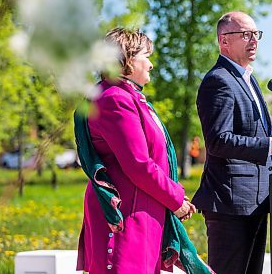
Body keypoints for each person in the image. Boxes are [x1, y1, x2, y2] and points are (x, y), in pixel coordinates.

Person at [75, 28, 211, 274]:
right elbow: (138, 164)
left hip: (142, 209)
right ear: (125, 59)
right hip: (127, 214)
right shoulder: (114, 99)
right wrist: (175, 197)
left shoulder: (129, 97)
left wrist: (173, 197)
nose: (150, 64)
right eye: (145, 56)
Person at [192, 11, 272, 274]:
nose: (254, 41)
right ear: (224, 41)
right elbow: (218, 141)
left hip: (256, 201)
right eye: (245, 35)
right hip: (231, 205)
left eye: (256, 35)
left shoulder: (248, 80)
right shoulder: (218, 81)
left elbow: (252, 138)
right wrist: (271, 145)